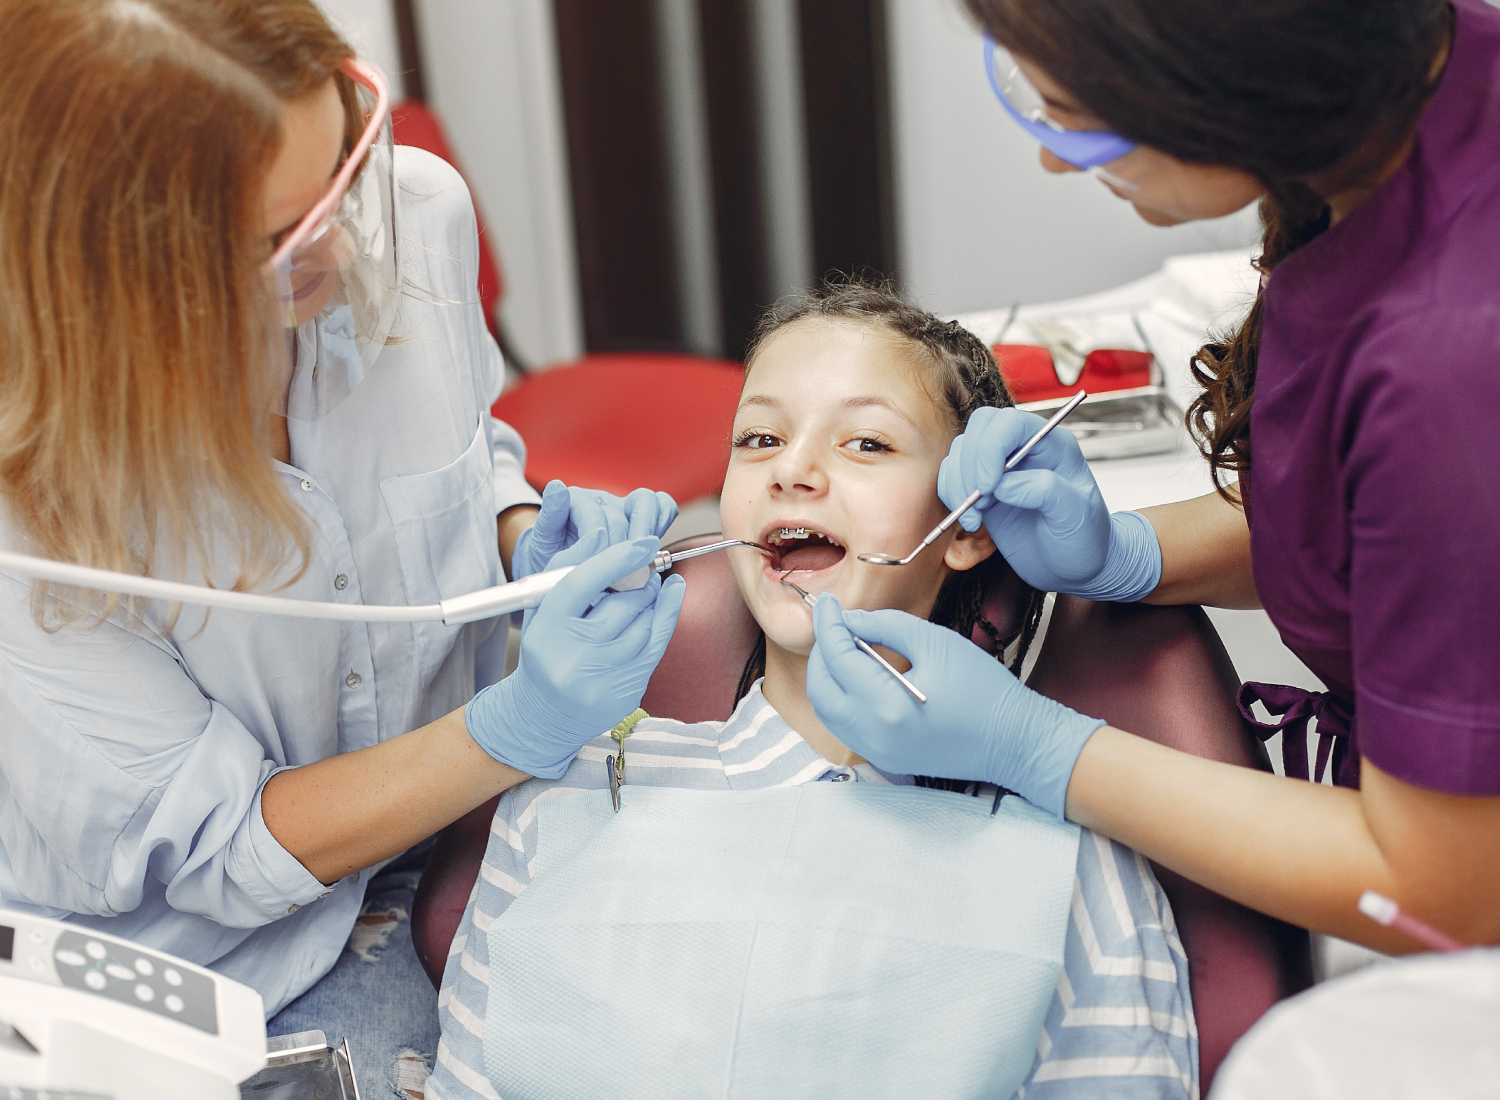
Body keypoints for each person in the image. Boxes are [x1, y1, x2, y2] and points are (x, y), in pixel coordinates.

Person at [0, 3, 681, 1096]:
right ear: (106, 283)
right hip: (230, 965)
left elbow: (466, 433)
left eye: (341, 170)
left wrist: (518, 534)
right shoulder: (28, 513)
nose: (336, 244)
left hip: (464, 831)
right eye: (269, 244)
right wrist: (513, 729)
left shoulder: (413, 210)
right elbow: (219, 845)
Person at [805, 0, 1500, 961]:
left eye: (1086, 117)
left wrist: (1039, 749)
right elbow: (1398, 536)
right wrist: (1128, 555)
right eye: (758, 439)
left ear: (1228, 91)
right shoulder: (1408, 84)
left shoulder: (1456, 363)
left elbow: (1445, 889)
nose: (1054, 158)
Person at [429, 282, 1198, 1100]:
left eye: (866, 444)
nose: (792, 469)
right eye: (758, 437)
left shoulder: (1074, 871)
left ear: (968, 526)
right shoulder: (574, 793)